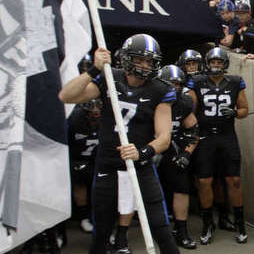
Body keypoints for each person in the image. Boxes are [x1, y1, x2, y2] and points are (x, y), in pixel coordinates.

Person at [57, 34, 179, 254]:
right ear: (127, 58)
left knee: (160, 227)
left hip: (140, 165)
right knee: (102, 229)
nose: (145, 65)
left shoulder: (160, 89)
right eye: (140, 59)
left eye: (150, 61)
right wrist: (95, 69)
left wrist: (142, 152)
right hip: (108, 164)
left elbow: (164, 138)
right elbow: (66, 95)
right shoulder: (110, 78)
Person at [191, 47, 249, 244]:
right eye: (213, 61)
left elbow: (244, 110)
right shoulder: (197, 82)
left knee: (234, 180)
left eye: (219, 62)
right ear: (208, 63)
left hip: (227, 136)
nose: (216, 65)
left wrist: (234, 113)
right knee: (204, 181)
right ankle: (208, 223)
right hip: (205, 137)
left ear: (225, 64)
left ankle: (240, 224)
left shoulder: (234, 82)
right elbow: (189, 110)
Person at [156, 65, 200, 249]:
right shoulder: (151, 98)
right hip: (151, 149)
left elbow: (194, 130)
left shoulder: (183, 102)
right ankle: (121, 233)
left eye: (177, 84)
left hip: (172, 148)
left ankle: (181, 231)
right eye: (170, 83)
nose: (174, 87)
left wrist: (186, 153)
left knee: (182, 187)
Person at [68, 98, 103, 233]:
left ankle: (94, 216)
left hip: (99, 158)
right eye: (91, 110)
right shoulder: (74, 118)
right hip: (78, 157)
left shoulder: (109, 117)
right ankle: (83, 216)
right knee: (80, 182)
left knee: (100, 187)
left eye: (98, 109)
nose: (95, 112)